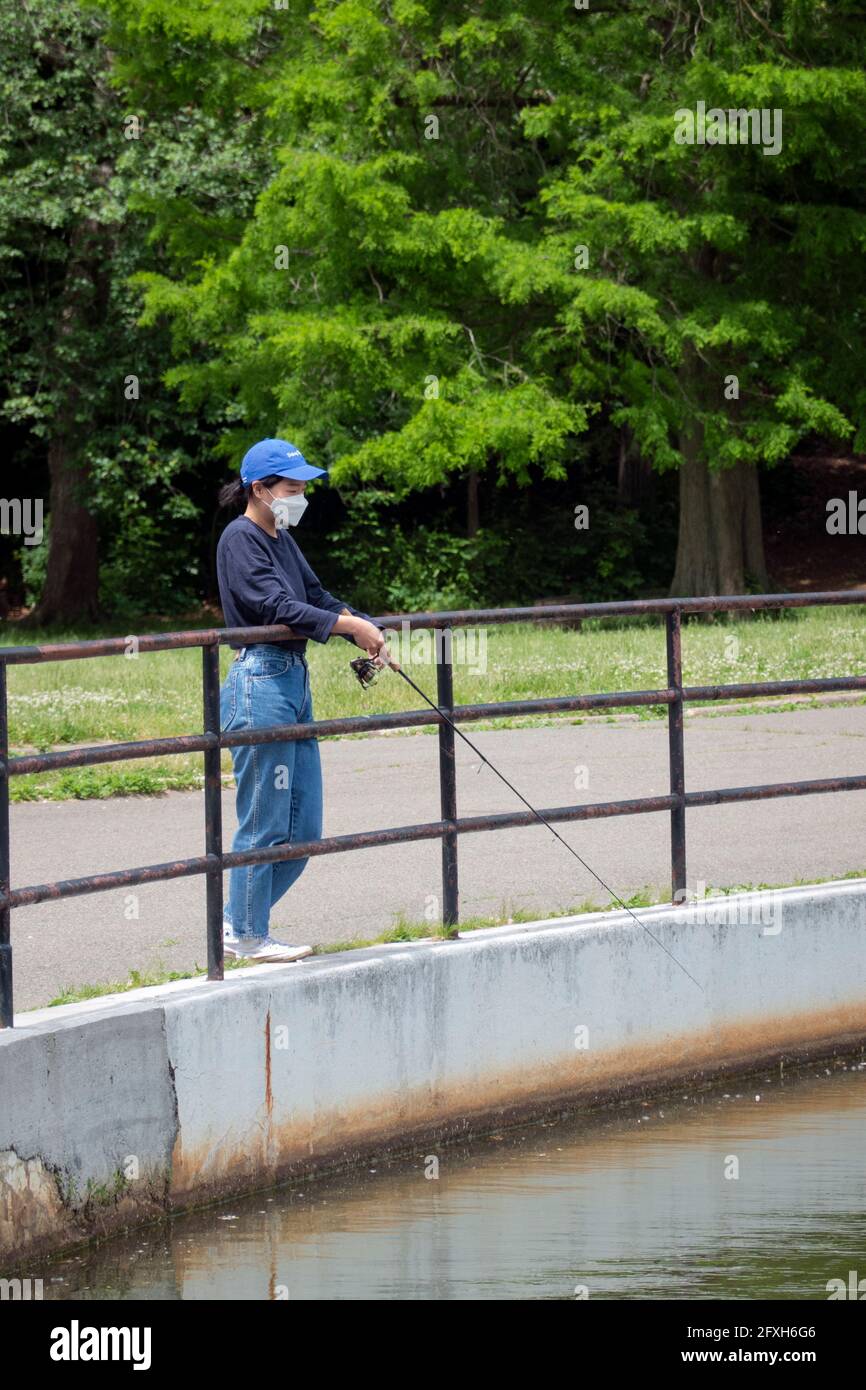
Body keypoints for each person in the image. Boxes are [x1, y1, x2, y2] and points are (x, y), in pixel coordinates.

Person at [215, 438, 389, 962]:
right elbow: (275, 605)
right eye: (292, 489)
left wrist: (366, 627)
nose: (301, 497)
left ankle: (237, 922)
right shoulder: (239, 539)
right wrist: (348, 627)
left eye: (303, 489)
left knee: (304, 828)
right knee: (264, 820)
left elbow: (314, 597)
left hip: (293, 680)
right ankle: (244, 933)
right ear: (261, 490)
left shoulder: (282, 536)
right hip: (259, 682)